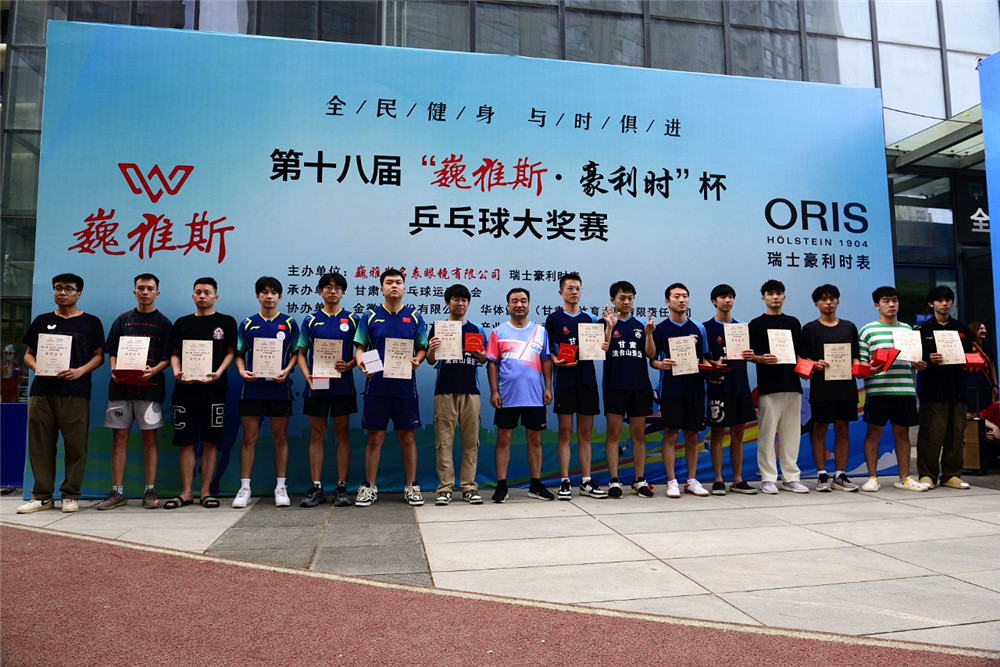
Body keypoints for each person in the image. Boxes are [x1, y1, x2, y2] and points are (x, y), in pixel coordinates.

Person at [17, 273, 104, 514]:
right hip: (42, 391)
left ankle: (70, 494)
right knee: (40, 444)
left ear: (79, 293)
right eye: (58, 288)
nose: (62, 292)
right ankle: (42, 495)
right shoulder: (42, 320)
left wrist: (80, 371)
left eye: (68, 288)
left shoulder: (91, 322)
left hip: (75, 392)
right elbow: (28, 354)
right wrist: (38, 368)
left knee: (76, 445)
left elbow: (98, 356)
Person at [97, 273, 172, 510]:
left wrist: (154, 370)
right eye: (140, 288)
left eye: (149, 288)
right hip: (120, 390)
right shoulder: (123, 320)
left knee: (150, 439)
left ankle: (150, 490)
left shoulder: (164, 323)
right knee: (119, 439)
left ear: (157, 293)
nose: (145, 292)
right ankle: (117, 491)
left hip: (150, 391)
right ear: (134, 292)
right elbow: (112, 352)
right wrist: (113, 370)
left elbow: (168, 358)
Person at [354, 268, 428, 507]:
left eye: (398, 282)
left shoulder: (414, 316)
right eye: (389, 282)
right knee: (375, 437)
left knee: (407, 436)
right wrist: (360, 363)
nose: (394, 285)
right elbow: (360, 348)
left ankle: (412, 486)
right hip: (376, 388)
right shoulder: (369, 316)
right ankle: (369, 486)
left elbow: (422, 348)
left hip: (405, 389)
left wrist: (418, 359)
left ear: (404, 288)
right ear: (381, 288)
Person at [165, 277, 237, 509]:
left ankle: (206, 491)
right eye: (198, 292)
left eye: (207, 292)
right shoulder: (182, 323)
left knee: (210, 441)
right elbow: (174, 354)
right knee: (185, 441)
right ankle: (186, 492)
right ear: (193, 296)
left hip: (214, 390)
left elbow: (231, 352)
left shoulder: (226, 322)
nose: (202, 296)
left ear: (216, 296)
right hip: (185, 390)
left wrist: (219, 372)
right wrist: (176, 372)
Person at [232, 277, 301, 508]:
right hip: (252, 388)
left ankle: (281, 487)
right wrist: (242, 371)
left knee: (280, 438)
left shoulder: (289, 323)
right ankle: (244, 488)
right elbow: (239, 354)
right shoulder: (247, 324)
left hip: (280, 389)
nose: (269, 296)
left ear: (280, 297)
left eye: (273, 292)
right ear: (257, 296)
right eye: (264, 292)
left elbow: (296, 352)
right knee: (249, 438)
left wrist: (287, 370)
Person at [857, 285, 928, 492]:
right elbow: (862, 364)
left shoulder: (907, 330)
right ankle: (872, 477)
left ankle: (904, 478)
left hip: (904, 389)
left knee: (903, 434)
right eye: (886, 301)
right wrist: (871, 368)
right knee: (874, 433)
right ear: (876, 305)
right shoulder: (867, 331)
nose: (891, 305)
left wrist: (917, 364)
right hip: (878, 390)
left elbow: (914, 359)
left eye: (894, 300)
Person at [297, 272, 358, 508]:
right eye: (328, 287)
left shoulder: (353, 319)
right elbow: (301, 353)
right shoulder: (310, 320)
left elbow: (362, 351)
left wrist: (350, 365)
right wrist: (307, 377)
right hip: (317, 385)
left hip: (343, 385)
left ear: (343, 292)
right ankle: (316, 487)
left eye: (337, 288)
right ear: (320, 291)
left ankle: (341, 486)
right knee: (316, 434)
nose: (333, 291)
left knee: (342, 433)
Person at [487, 287, 553, 503]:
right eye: (514, 301)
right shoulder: (498, 332)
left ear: (529, 304)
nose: (519, 304)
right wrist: (494, 391)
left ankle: (536, 484)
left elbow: (546, 361)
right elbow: (492, 363)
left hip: (534, 396)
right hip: (507, 396)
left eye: (523, 300)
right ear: (507, 306)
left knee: (535, 440)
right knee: (503, 439)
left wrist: (548, 388)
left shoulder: (540, 331)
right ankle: (501, 485)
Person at [544, 272, 607, 500]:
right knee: (565, 432)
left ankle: (586, 481)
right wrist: (555, 360)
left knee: (585, 433)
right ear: (561, 292)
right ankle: (565, 481)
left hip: (587, 381)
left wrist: (607, 332)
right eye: (570, 288)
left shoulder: (591, 318)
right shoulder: (553, 319)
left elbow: (601, 347)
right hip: (564, 382)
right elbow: (547, 351)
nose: (574, 292)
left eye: (578, 288)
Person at [426, 284, 487, 505]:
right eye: (455, 299)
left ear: (468, 304)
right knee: (443, 442)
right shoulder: (438, 328)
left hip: (471, 391)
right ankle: (445, 488)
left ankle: (469, 487)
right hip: (444, 390)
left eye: (464, 300)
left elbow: (485, 359)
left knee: (471, 442)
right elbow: (430, 360)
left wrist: (480, 354)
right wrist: (431, 349)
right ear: (447, 302)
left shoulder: (477, 329)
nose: (460, 303)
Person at [649, 283, 711, 498]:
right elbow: (652, 360)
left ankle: (691, 481)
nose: (681, 300)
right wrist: (661, 364)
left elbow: (704, 357)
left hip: (695, 389)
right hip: (671, 390)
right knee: (671, 434)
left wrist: (714, 369)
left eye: (685, 296)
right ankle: (671, 481)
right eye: (676, 296)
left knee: (693, 435)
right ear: (667, 301)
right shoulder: (660, 329)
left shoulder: (698, 328)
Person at [798, 284, 860, 492]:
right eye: (823, 299)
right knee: (820, 429)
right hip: (822, 387)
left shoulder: (849, 327)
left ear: (838, 301)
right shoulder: (809, 329)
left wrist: (857, 366)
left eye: (832, 298)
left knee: (843, 429)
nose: (828, 302)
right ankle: (822, 474)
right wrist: (814, 364)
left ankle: (840, 474)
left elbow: (856, 355)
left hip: (846, 386)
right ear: (816, 304)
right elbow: (802, 358)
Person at [748, 279, 808, 494]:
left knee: (792, 434)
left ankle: (791, 478)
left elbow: (800, 353)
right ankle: (768, 478)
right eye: (770, 293)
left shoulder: (793, 322)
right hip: (769, 386)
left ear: (784, 296)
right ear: (763, 298)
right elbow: (749, 354)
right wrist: (760, 358)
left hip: (792, 385)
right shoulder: (756, 324)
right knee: (766, 434)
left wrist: (805, 368)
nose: (775, 297)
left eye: (778, 293)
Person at [601, 280, 655, 499]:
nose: (626, 302)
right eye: (622, 298)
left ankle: (639, 479)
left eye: (630, 298)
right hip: (614, 386)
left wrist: (649, 334)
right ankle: (614, 480)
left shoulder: (642, 325)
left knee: (638, 434)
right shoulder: (605, 323)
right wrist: (609, 328)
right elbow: (600, 350)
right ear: (612, 300)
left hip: (639, 387)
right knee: (613, 434)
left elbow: (651, 354)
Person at [916, 285, 973, 490]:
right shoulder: (922, 330)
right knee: (931, 434)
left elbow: (969, 356)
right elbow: (916, 359)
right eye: (939, 300)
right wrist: (927, 358)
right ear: (931, 303)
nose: (944, 304)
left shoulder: (961, 328)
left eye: (947, 300)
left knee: (956, 434)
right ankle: (927, 474)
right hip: (932, 390)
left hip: (957, 388)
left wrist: (970, 362)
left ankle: (952, 474)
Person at [703, 284, 757, 495]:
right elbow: (702, 357)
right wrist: (712, 365)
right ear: (714, 301)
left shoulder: (742, 328)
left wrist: (752, 355)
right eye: (722, 297)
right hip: (719, 386)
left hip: (740, 386)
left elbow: (750, 355)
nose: (727, 300)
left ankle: (737, 479)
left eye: (730, 297)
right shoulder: (706, 328)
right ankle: (718, 479)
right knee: (717, 433)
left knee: (738, 433)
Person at [967, 320, 998, 416]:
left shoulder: (987, 347)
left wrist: (995, 385)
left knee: (987, 411)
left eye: (985, 329)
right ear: (973, 331)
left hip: (986, 384)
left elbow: (991, 366)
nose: (984, 331)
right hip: (972, 385)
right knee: (972, 412)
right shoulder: (967, 347)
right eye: (981, 329)